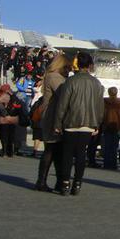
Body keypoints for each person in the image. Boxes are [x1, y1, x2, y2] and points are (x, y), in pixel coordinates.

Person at [53, 52, 105, 196]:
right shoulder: (96, 83)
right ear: (89, 66)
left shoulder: (70, 81)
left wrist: (58, 122)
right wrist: (97, 123)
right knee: (81, 153)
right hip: (88, 123)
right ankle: (77, 182)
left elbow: (63, 104)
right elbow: (100, 106)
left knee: (67, 154)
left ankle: (65, 182)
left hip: (71, 121)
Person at [36, 54, 70, 192]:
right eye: (67, 67)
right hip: (52, 116)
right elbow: (65, 93)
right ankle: (43, 181)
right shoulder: (56, 77)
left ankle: (49, 180)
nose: (68, 70)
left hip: (50, 115)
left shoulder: (51, 76)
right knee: (51, 150)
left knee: (54, 150)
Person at [101, 87, 120, 170]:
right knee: (114, 147)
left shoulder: (105, 101)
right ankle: (113, 164)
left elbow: (102, 114)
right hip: (117, 126)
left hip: (107, 125)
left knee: (107, 146)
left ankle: (106, 164)